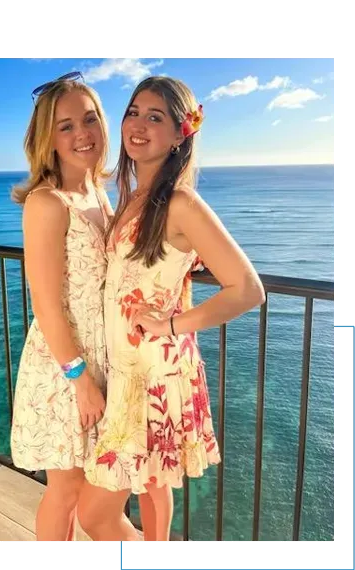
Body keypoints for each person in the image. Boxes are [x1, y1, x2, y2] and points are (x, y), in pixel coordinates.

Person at [77, 76, 266, 542]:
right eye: (133, 112)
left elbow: (247, 288)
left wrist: (173, 322)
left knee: (94, 514)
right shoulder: (138, 197)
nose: (138, 125)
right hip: (132, 371)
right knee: (153, 483)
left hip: (152, 374)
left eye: (155, 117)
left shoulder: (181, 202)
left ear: (182, 134)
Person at [9, 72, 141, 542]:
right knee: (65, 492)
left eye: (89, 119)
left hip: (104, 363)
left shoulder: (99, 193)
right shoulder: (47, 202)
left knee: (94, 488)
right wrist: (81, 380)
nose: (81, 133)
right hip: (67, 371)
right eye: (66, 126)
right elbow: (45, 303)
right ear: (48, 138)